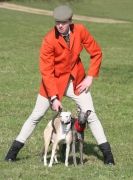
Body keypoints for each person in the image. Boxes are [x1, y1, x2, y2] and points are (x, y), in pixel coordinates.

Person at [5, 5, 115, 165]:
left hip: (76, 81)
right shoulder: (49, 39)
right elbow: (46, 71)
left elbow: (96, 52)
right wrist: (54, 97)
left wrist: (90, 76)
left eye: (64, 22)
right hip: (53, 84)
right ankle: (12, 153)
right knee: (36, 116)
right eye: (57, 22)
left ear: (70, 21)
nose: (60, 25)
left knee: (91, 115)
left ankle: (108, 156)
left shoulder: (81, 30)